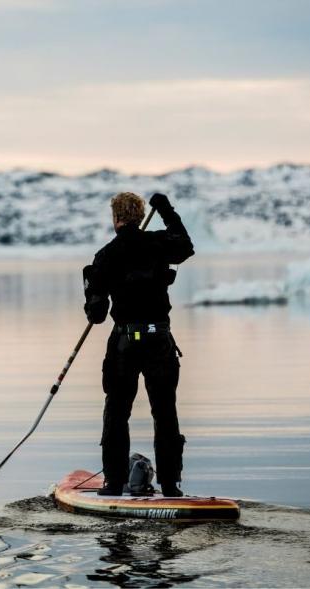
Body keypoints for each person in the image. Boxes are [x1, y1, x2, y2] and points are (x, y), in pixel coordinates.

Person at [82, 191, 195, 496]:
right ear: (141, 213)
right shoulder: (158, 244)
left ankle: (113, 483)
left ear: (115, 218)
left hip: (124, 344)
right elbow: (185, 247)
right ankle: (171, 486)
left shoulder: (107, 255)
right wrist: (167, 211)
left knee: (117, 413)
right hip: (159, 340)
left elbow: (97, 315)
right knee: (165, 413)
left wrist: (92, 288)